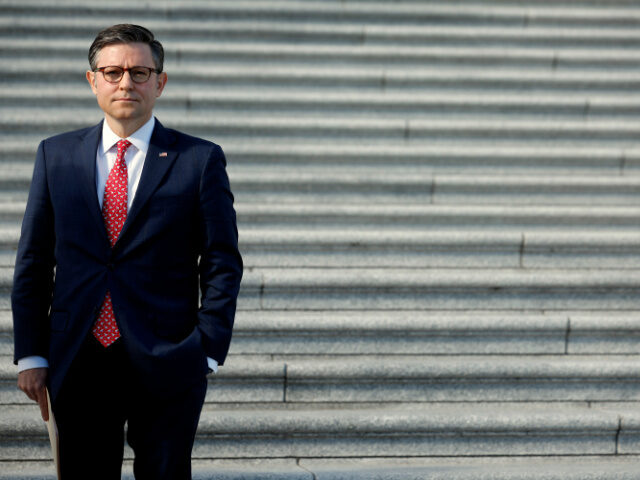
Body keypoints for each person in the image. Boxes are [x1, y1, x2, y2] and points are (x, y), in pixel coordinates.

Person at [12, 24, 243, 479]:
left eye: (140, 72)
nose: (126, 83)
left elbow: (222, 260)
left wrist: (207, 348)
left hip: (169, 355)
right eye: (113, 71)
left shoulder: (199, 159)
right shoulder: (55, 155)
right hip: (78, 353)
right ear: (92, 80)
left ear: (160, 82)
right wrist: (32, 354)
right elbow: (35, 261)